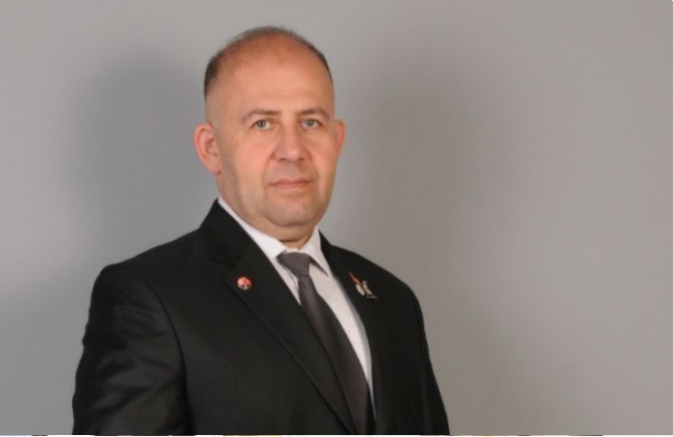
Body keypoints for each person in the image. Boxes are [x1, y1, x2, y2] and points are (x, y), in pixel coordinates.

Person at [72, 26, 449, 435]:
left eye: (310, 122)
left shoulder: (393, 301)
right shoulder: (150, 298)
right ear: (211, 148)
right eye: (263, 124)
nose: (293, 150)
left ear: (337, 140)